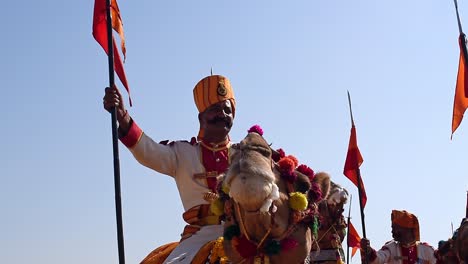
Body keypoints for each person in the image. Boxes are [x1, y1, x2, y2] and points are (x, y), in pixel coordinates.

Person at [103, 74, 236, 264]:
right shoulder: (183, 153)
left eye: (227, 110)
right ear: (202, 118)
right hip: (198, 238)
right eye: (215, 109)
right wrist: (123, 117)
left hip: (242, 233)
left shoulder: (247, 154)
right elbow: (149, 152)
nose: (222, 114)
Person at [360, 210, 437, 264]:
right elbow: (378, 259)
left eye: (395, 228)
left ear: (407, 229)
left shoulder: (427, 250)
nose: (392, 231)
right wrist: (368, 250)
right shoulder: (391, 247)